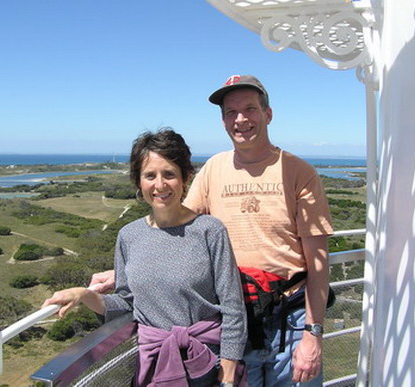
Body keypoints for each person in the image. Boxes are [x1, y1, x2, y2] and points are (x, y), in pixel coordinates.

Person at [90, 75, 334, 386]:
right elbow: (175, 227)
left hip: (290, 316)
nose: (240, 119)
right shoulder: (214, 169)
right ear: (222, 121)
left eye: (250, 109)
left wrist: (313, 334)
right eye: (231, 112)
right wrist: (125, 273)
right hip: (234, 317)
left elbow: (318, 262)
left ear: (268, 114)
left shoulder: (298, 172)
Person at [44, 128, 247, 386]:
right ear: (139, 182)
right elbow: (127, 303)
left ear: (185, 178)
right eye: (150, 175)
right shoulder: (129, 236)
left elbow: (233, 307)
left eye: (169, 174)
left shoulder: (209, 230)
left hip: (207, 362)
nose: (159, 185)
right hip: (154, 363)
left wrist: (228, 371)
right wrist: (84, 295)